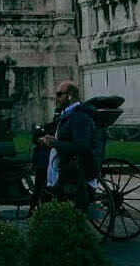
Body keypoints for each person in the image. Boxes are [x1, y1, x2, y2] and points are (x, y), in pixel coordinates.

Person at [39, 80, 98, 208]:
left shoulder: (79, 117)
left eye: (60, 94)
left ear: (70, 95)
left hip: (71, 173)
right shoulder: (68, 115)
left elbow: (82, 147)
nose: (57, 98)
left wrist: (55, 143)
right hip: (60, 169)